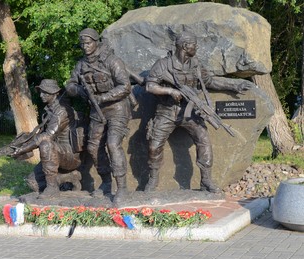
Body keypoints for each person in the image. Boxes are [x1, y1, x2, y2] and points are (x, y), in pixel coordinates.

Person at [145, 31, 252, 193]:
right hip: (166, 112)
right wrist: (170, 92)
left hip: (190, 113)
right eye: (194, 44)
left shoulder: (196, 65)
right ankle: (153, 179)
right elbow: (150, 85)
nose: (196, 47)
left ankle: (206, 180)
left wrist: (234, 86)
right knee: (154, 146)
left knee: (204, 141)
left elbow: (210, 81)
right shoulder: (163, 64)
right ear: (184, 46)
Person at [66, 28, 132, 203]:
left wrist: (103, 97)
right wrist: (80, 90)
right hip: (97, 110)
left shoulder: (112, 61)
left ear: (96, 42)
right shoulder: (81, 65)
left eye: (88, 43)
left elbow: (125, 86)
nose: (85, 47)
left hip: (117, 108)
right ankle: (106, 183)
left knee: (112, 144)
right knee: (93, 147)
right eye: (82, 44)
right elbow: (70, 85)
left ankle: (122, 187)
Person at [13, 79, 81, 198]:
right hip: (55, 153)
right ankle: (66, 178)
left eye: (45, 93)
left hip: (69, 155)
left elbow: (48, 136)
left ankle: (52, 188)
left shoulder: (62, 111)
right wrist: (22, 144)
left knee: (45, 143)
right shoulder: (49, 110)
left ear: (55, 94)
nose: (41, 95)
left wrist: (25, 149)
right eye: (41, 92)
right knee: (32, 182)